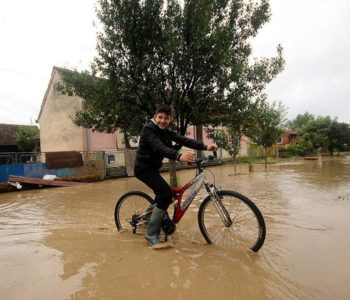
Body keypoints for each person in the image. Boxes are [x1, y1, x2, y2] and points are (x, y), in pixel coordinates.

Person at [134, 103, 218, 248]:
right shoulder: (148, 129)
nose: (162, 121)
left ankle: (149, 216)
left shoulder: (167, 131)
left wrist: (205, 147)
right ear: (155, 116)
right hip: (143, 169)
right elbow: (159, 148)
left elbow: (185, 140)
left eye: (166, 118)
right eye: (160, 117)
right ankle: (151, 234)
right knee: (166, 195)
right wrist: (179, 156)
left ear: (170, 119)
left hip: (153, 168)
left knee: (165, 195)